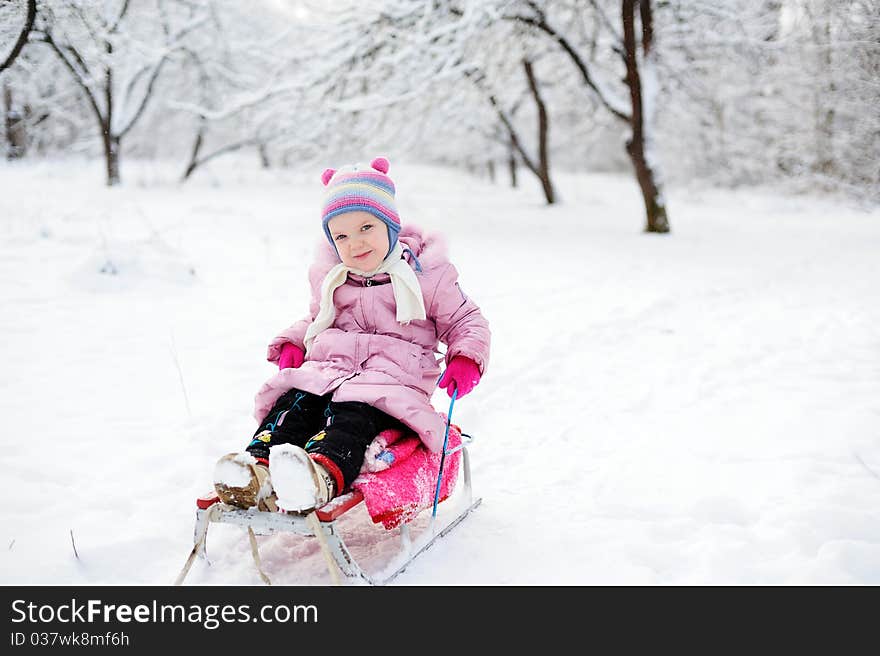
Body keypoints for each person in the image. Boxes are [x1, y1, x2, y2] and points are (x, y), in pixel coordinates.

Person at [213, 156, 491, 514]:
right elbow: (316, 318)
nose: (355, 243)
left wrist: (466, 356)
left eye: (366, 228)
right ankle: (257, 470)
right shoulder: (334, 277)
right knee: (294, 405)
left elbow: (466, 320)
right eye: (341, 235)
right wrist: (296, 340)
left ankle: (318, 477)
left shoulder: (425, 276)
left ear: (390, 224)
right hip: (330, 370)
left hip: (391, 384)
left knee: (350, 419)